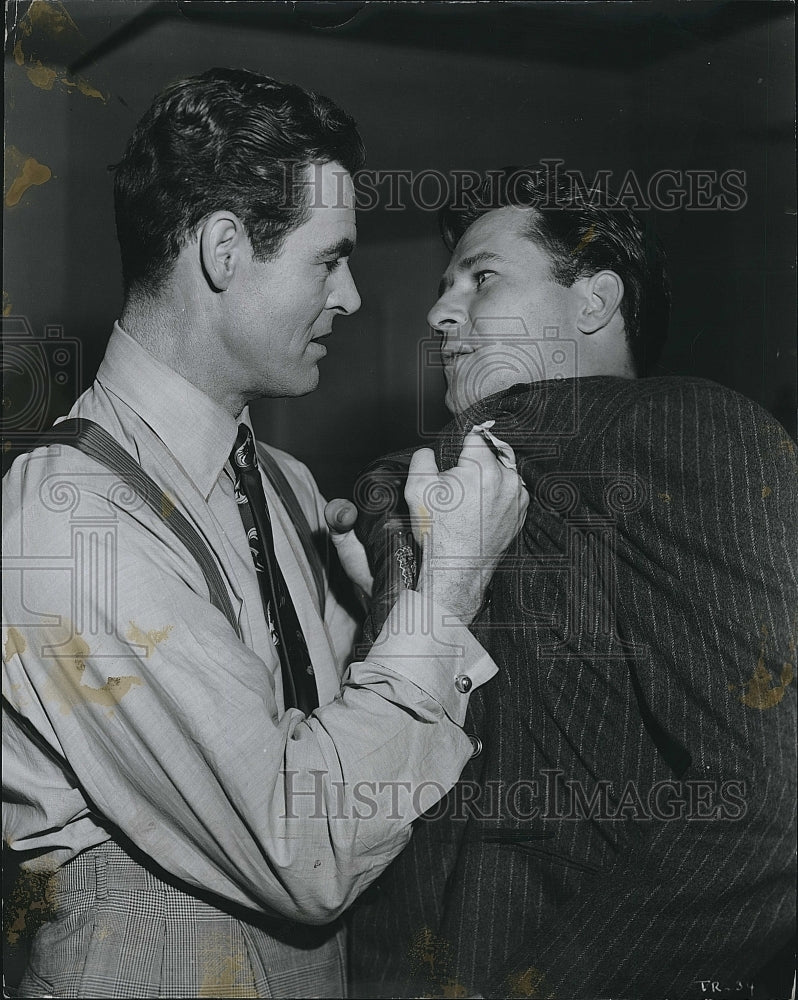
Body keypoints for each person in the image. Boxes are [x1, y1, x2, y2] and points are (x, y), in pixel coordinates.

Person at [1, 71, 529, 999]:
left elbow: (344, 764)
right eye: (330, 260)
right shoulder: (69, 522)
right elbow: (305, 844)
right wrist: (445, 593)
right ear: (224, 250)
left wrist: (388, 611)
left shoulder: (281, 486)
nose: (355, 297)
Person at [349, 167, 797, 999]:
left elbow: (776, 798)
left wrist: (542, 984)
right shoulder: (449, 481)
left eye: (481, 279)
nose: (439, 313)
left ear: (592, 304)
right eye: (445, 286)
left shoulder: (678, 426)